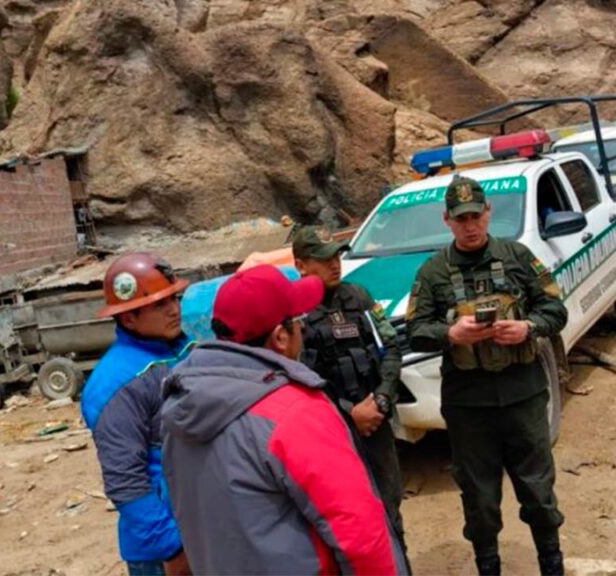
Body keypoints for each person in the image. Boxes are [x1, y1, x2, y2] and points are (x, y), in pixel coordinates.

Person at [160, 265, 409, 575]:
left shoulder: (180, 408)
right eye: (298, 321)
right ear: (280, 337)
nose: (303, 330)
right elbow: (360, 537)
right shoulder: (295, 412)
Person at [406, 176, 568, 576]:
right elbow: (415, 331)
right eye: (461, 219)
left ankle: (552, 565)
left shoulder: (517, 256)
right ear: (447, 220)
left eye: (476, 215)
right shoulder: (433, 272)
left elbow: (555, 310)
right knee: (479, 498)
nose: (470, 225)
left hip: (523, 395)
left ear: (488, 212)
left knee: (538, 492)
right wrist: (450, 334)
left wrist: (528, 327)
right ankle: (488, 567)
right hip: (468, 405)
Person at [292, 225, 408, 550]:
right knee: (346, 521)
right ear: (301, 264)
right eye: (324, 258)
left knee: (390, 508)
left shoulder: (359, 297)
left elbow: (390, 347)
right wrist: (348, 414)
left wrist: (383, 398)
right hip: (330, 433)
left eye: (337, 256)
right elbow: (296, 378)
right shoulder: (292, 312)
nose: (334, 264)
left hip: (376, 423)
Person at [81, 253, 194, 576]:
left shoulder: (184, 351)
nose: (174, 309)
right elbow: (125, 480)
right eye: (160, 304)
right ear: (128, 318)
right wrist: (171, 548)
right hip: (165, 550)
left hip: (199, 527)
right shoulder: (114, 384)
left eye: (174, 298)